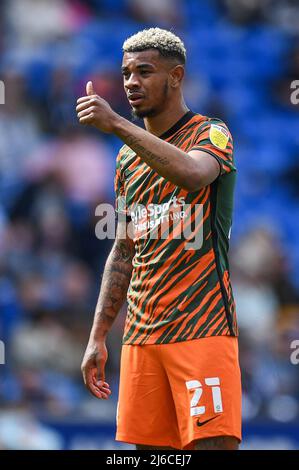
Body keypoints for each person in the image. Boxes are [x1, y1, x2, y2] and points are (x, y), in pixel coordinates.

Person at [76, 27, 241, 450]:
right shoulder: (127, 158)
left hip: (202, 329)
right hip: (141, 338)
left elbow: (193, 173)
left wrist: (113, 122)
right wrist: (98, 336)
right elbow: (124, 249)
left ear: (176, 76)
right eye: (126, 72)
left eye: (144, 71)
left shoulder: (211, 133)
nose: (131, 82)